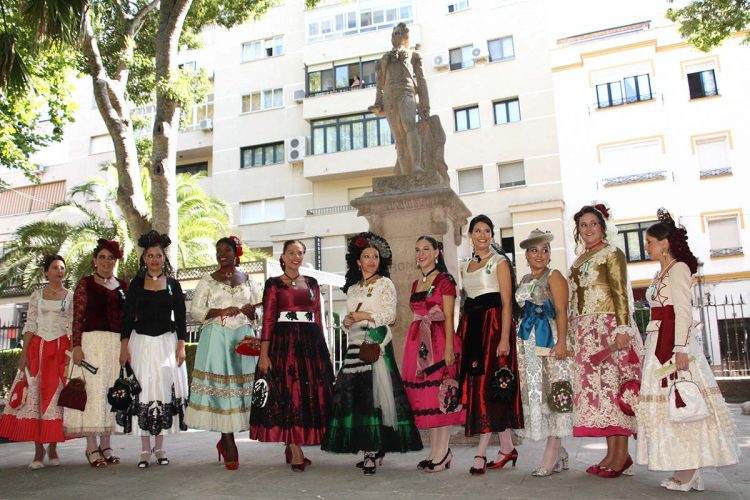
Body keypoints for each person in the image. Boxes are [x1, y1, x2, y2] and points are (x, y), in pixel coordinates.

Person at [636, 209, 738, 491]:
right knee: (673, 405)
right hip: (659, 341)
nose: (646, 247)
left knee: (683, 400)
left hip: (672, 343)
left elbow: (682, 310)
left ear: (665, 243)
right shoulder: (662, 271)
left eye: (650, 242)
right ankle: (685, 467)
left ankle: (690, 469)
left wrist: (679, 348)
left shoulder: (679, 268)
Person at [321, 232, 422, 474]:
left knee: (375, 398)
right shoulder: (353, 289)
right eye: (366, 256)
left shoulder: (385, 284)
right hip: (354, 346)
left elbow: (390, 316)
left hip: (376, 345)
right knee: (358, 400)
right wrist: (347, 321)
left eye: (375, 256)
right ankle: (370, 447)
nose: (370, 260)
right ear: (357, 261)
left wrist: (364, 316)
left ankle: (371, 452)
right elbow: (350, 320)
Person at [568, 203, 642, 478]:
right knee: (600, 396)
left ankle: (621, 456)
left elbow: (621, 291)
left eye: (592, 224)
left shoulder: (612, 253)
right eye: (583, 225)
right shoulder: (578, 260)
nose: (588, 229)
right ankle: (612, 453)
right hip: (586, 332)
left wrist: (623, 328)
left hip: (609, 328)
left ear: (602, 226)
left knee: (614, 390)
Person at [250, 240, 334, 472]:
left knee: (306, 395)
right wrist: (264, 355)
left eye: (300, 253)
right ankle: (295, 448)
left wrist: (323, 349)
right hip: (284, 344)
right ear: (283, 257)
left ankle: (294, 443)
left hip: (310, 344)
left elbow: (318, 317)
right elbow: (268, 319)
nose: (296, 257)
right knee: (289, 393)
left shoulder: (312, 283)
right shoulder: (274, 284)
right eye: (291, 253)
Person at [185, 236, 261, 470]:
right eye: (218, 250)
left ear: (236, 252)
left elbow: (258, 313)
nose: (221, 254)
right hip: (216, 338)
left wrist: (250, 313)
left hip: (243, 339)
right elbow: (196, 311)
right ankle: (227, 440)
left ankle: (233, 434)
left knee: (240, 390)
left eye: (226, 250)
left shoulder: (249, 280)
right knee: (222, 390)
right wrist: (218, 310)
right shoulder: (207, 280)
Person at [457, 214, 524, 476]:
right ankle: (507, 448)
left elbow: (507, 302)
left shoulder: (499, 262)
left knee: (492, 386)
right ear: (470, 235)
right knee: (481, 387)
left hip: (495, 328)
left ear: (492, 235)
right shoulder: (465, 266)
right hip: (473, 329)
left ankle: (481, 452)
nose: (482, 235)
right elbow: (467, 302)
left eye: (487, 231)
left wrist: (505, 337)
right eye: (477, 231)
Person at [118, 231, 188, 468]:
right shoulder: (136, 285)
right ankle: (145, 450)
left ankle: (161, 448)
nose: (155, 259)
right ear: (145, 259)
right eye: (150, 255)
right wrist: (124, 346)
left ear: (163, 258)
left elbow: (180, 318)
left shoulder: (173, 285)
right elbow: (127, 317)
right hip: (141, 344)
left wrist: (181, 345)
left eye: (158, 255)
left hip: (166, 343)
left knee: (162, 392)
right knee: (143, 392)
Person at [0, 254, 72, 469]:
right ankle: (38, 451)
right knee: (36, 398)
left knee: (57, 399)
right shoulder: (36, 295)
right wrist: (23, 354)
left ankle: (53, 448)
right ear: (46, 272)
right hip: (38, 350)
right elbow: (30, 324)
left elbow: (72, 325)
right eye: (55, 267)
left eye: (62, 268)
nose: (59, 271)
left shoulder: (70, 295)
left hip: (60, 350)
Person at [401, 235, 464, 473]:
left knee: (442, 396)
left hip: (438, 340)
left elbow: (449, 316)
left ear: (437, 252)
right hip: (418, 342)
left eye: (426, 249)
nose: (421, 253)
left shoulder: (445, 280)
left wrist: (449, 347)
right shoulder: (416, 284)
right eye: (417, 249)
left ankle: (443, 451)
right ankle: (437, 452)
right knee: (429, 398)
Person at [64, 239, 127, 467]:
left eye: (111, 258)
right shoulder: (85, 284)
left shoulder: (122, 285)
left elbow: (128, 319)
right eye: (102, 257)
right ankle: (91, 448)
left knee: (111, 393)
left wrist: (124, 346)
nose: (106, 262)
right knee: (91, 394)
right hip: (91, 343)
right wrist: (77, 346)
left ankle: (107, 445)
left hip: (113, 345)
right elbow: (77, 317)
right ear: (94, 261)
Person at [515, 229, 573, 477]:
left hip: (549, 343)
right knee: (538, 395)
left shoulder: (555, 276)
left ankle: (550, 454)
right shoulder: (525, 278)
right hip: (528, 344)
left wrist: (561, 343)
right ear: (526, 254)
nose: (540, 255)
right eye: (534, 250)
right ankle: (560, 452)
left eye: (545, 250)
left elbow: (561, 311)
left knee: (553, 393)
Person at [369, 22, 429, 175]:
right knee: (399, 136)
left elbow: (421, 79)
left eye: (396, 34)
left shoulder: (414, 55)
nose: (393, 37)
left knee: (410, 125)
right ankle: (404, 172)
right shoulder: (384, 58)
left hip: (406, 92)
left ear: (405, 36)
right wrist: (378, 102)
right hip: (389, 96)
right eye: (392, 34)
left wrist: (424, 104)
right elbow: (379, 82)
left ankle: (417, 166)